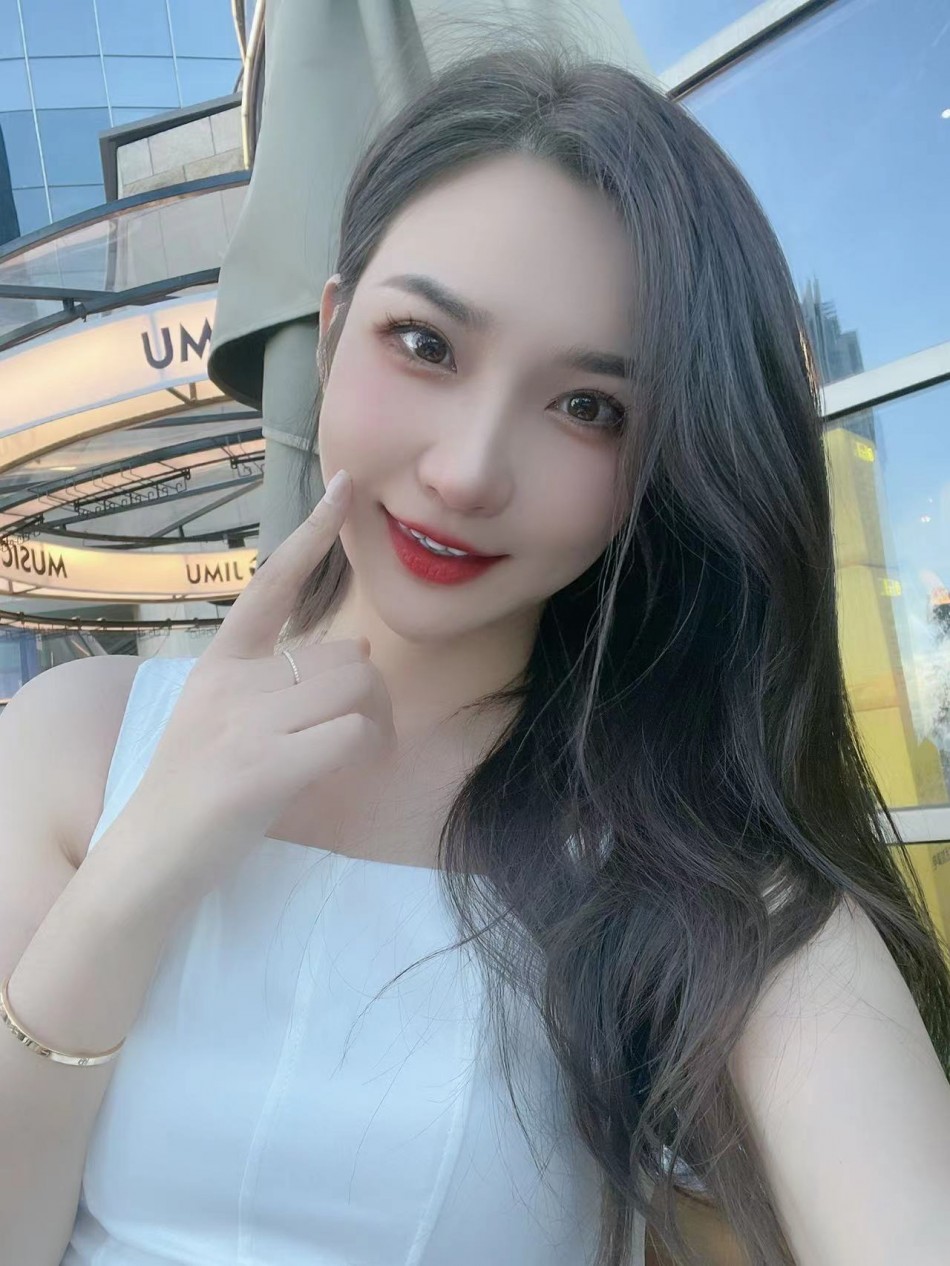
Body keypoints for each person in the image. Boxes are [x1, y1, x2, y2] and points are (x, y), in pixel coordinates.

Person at [1, 39, 949, 1266]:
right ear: (331, 330)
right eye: (425, 344)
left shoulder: (691, 873)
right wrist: (138, 869)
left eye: (587, 408)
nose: (466, 471)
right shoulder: (73, 738)